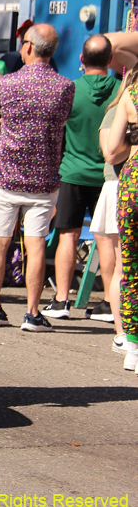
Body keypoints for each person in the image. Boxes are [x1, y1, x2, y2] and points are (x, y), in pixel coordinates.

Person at [0, 24, 74, 332]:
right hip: (43, 178)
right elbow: (60, 123)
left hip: (5, 174)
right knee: (35, 244)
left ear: (29, 47)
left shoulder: (6, 83)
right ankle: (32, 312)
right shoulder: (64, 86)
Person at [43, 36, 120, 320]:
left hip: (72, 172)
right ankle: (112, 303)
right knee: (106, 240)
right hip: (108, 175)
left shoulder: (70, 90)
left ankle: (62, 300)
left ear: (80, 59)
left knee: (68, 235)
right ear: (111, 60)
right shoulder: (120, 91)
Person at [107, 62, 138, 373]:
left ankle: (133, 345)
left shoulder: (130, 95)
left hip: (133, 184)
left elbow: (113, 147)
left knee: (130, 263)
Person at [96, 82, 131, 356]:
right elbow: (109, 153)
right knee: (122, 264)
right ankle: (122, 332)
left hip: (128, 187)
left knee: (125, 266)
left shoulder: (127, 102)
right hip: (120, 185)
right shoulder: (116, 109)